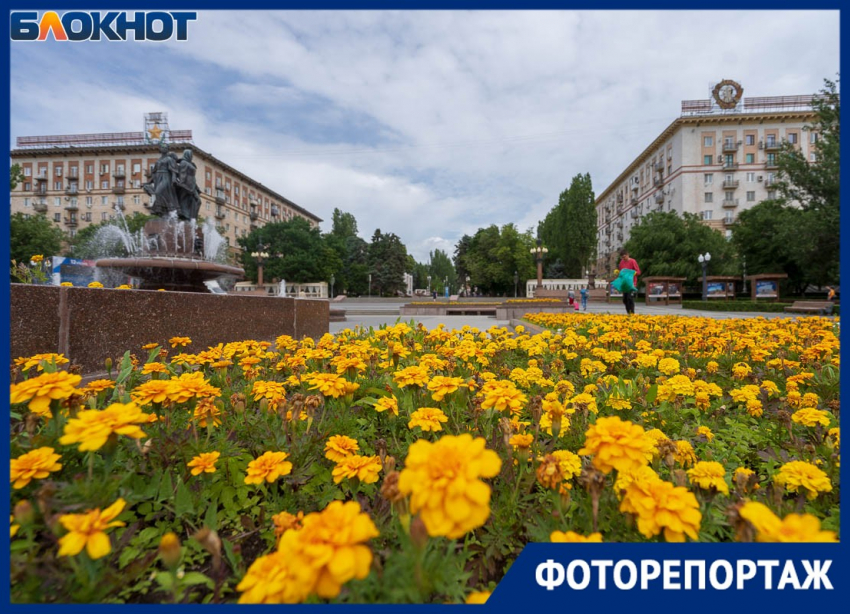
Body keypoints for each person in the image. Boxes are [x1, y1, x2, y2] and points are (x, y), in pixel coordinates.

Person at [618, 249, 641, 315]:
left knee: (629, 297)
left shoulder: (633, 261)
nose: (623, 259)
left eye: (624, 257)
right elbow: (621, 271)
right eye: (622, 257)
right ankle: (628, 312)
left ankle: (632, 313)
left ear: (628, 255)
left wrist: (632, 273)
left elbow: (638, 272)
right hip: (624, 283)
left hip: (631, 282)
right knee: (625, 299)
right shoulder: (621, 262)